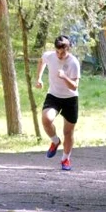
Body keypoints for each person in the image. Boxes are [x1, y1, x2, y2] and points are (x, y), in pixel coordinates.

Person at [35, 35, 81, 171]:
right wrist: (39, 78)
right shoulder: (49, 56)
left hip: (70, 99)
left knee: (68, 132)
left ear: (68, 49)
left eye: (63, 53)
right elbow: (41, 61)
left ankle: (65, 159)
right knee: (46, 119)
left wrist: (64, 76)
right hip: (54, 96)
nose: (60, 55)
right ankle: (55, 141)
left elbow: (74, 86)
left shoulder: (73, 63)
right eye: (57, 52)